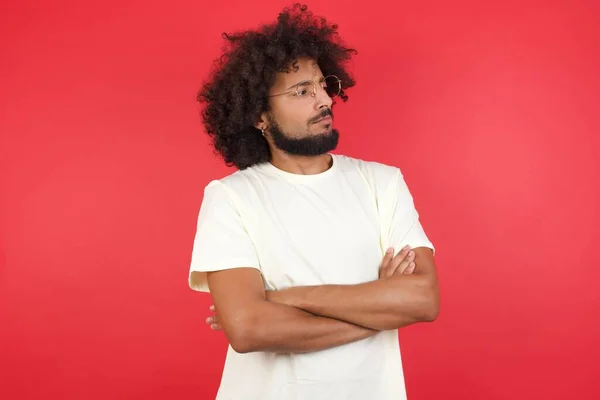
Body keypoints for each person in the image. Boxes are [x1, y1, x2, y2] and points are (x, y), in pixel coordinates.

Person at [188, 4, 440, 399]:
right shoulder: (230, 198)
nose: (324, 100)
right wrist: (379, 310)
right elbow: (249, 329)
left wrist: (285, 300)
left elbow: (423, 299)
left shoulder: (382, 184)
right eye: (302, 91)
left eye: (324, 85)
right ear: (259, 116)